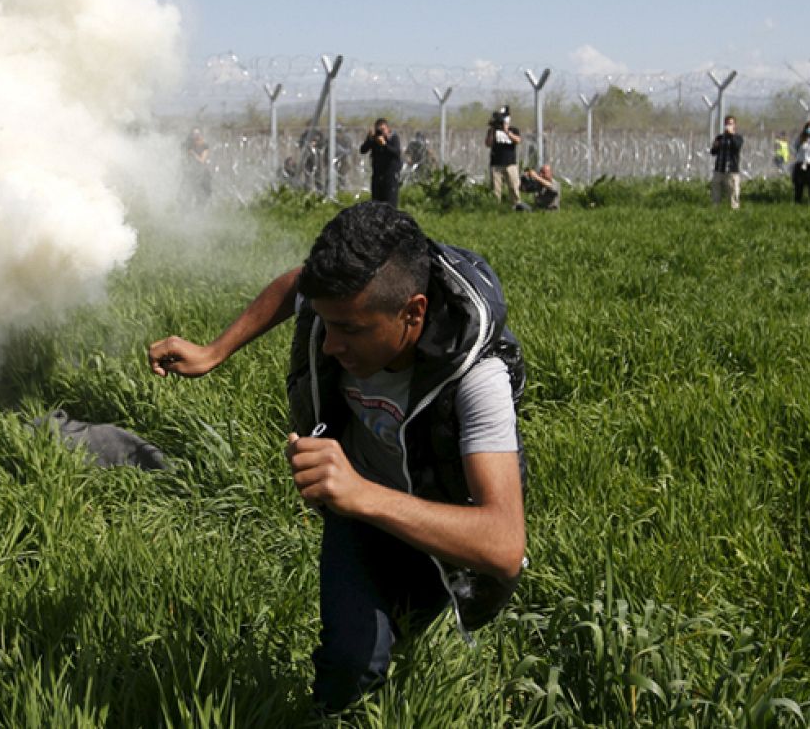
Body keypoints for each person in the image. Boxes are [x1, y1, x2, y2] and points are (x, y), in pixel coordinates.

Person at [146, 203, 527, 714]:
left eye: (349, 329)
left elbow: (503, 545)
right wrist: (215, 351)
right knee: (352, 662)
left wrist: (360, 492)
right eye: (325, 323)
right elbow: (295, 285)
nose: (329, 346)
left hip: (438, 523)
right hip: (359, 511)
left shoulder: (477, 379)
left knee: (414, 626)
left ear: (412, 313)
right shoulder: (346, 303)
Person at [359, 118, 403, 207]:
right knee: (376, 205)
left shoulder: (393, 139)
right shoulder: (374, 140)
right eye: (378, 130)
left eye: (383, 130)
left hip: (390, 177)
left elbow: (396, 153)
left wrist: (385, 144)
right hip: (377, 177)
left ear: (388, 129)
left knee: (390, 206)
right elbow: (362, 150)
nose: (381, 133)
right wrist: (369, 139)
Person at [485, 106, 523, 207]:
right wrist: (493, 129)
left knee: (514, 187)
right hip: (496, 164)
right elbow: (488, 144)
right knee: (496, 189)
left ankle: (516, 206)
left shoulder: (513, 129)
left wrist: (506, 131)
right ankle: (495, 207)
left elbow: (518, 140)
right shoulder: (492, 131)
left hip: (510, 163)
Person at [708, 115, 743, 209]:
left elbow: (737, 146)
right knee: (716, 189)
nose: (728, 126)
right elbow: (713, 152)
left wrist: (731, 135)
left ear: (734, 125)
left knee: (733, 191)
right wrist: (715, 146)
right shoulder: (719, 138)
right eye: (727, 123)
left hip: (731, 170)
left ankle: (734, 209)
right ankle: (715, 207)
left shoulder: (737, 137)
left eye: (730, 124)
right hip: (719, 169)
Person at [185, 129, 212, 201]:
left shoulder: (205, 146)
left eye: (198, 135)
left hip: (204, 174)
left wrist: (193, 154)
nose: (196, 137)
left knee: (204, 195)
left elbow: (202, 161)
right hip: (194, 174)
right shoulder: (191, 146)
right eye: (194, 135)